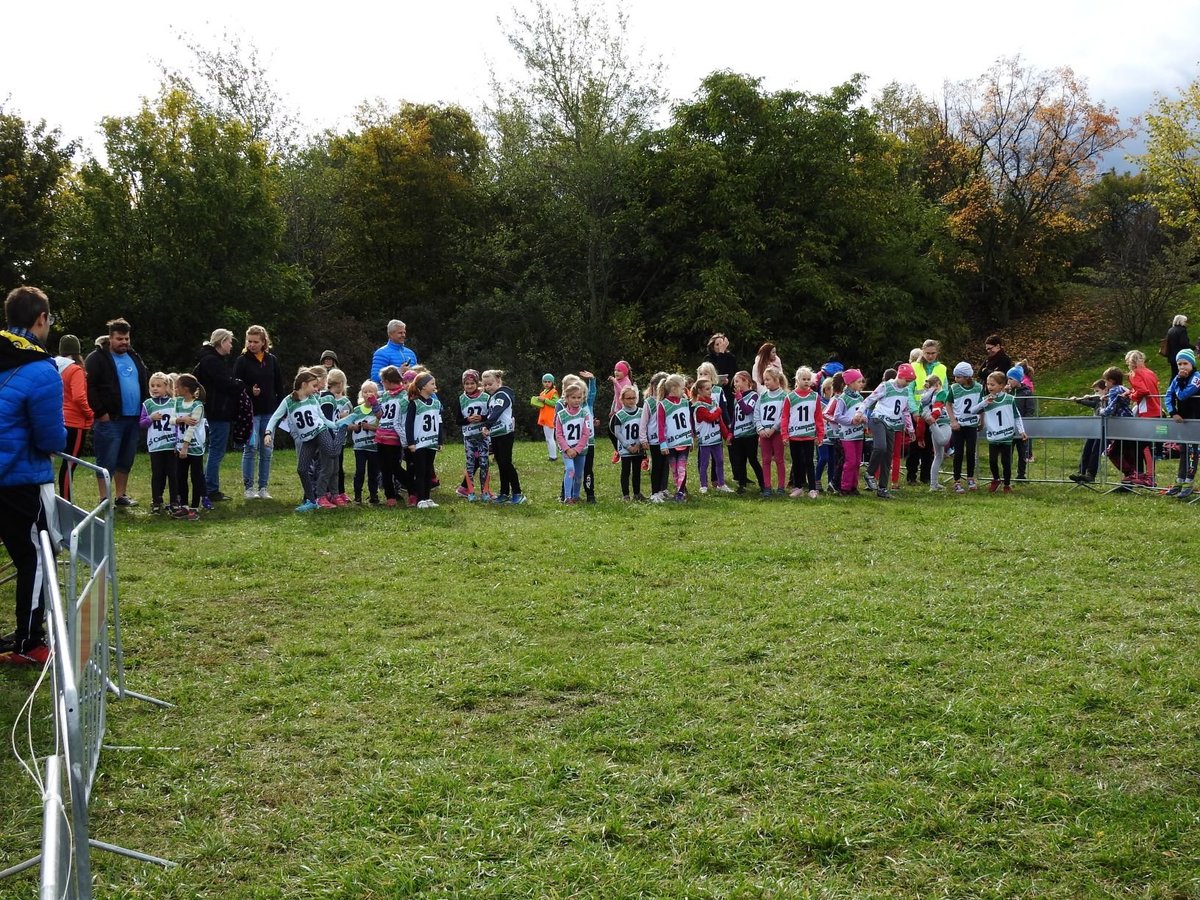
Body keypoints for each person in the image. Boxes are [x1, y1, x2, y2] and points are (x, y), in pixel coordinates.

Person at [0, 286, 66, 664]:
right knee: (37, 558)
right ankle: (29, 644)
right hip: (20, 478)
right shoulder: (41, 368)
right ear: (41, 319)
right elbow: (50, 437)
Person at [85, 317, 149, 506]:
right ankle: (104, 498)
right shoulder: (96, 358)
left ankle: (121, 496)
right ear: (110, 338)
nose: (124, 342)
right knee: (107, 459)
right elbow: (89, 387)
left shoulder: (134, 357)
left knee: (126, 459)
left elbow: (143, 382)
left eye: (127, 338)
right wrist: (100, 412)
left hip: (133, 417)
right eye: (120, 339)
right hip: (110, 418)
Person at [264, 371, 333, 512]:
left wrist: (339, 425)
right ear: (304, 384)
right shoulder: (288, 401)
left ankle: (323, 495)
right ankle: (311, 501)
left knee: (330, 455)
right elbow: (275, 417)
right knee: (302, 469)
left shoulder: (313, 399)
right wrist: (268, 433)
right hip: (307, 440)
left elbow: (323, 419)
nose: (316, 389)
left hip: (320, 433)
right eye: (314, 386)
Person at [233, 325, 284, 500]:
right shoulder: (242, 361)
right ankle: (249, 487)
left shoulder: (272, 360)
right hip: (250, 413)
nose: (252, 345)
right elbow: (235, 385)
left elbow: (279, 385)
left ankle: (263, 487)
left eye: (256, 342)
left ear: (263, 342)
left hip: (269, 412)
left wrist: (281, 409)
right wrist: (249, 390)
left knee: (267, 450)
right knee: (251, 448)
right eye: (249, 341)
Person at [193, 329, 244, 501]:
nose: (231, 345)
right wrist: (238, 384)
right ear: (221, 342)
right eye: (229, 341)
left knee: (213, 449)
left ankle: (208, 486)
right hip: (218, 411)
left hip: (214, 410)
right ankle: (210, 488)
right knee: (216, 450)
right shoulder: (213, 362)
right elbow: (226, 384)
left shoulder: (208, 360)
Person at [861, 363, 916, 500]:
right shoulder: (886, 386)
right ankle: (869, 473)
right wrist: (859, 412)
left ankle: (883, 488)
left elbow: (905, 411)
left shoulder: (905, 391)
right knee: (881, 446)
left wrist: (910, 429)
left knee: (888, 456)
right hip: (878, 419)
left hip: (892, 425)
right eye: (907, 380)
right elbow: (869, 399)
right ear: (900, 376)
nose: (908, 384)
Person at [54, 334, 93, 500]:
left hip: (57, 419)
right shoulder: (75, 369)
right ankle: (66, 501)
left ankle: (58, 499)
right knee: (69, 464)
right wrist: (89, 413)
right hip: (74, 422)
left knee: (59, 462)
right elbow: (78, 397)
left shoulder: (53, 366)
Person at [480, 369, 526, 504]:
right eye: (485, 385)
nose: (488, 387)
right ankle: (504, 492)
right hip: (496, 434)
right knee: (501, 464)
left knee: (506, 463)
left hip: (505, 433)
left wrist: (487, 425)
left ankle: (517, 493)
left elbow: (497, 411)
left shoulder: (502, 395)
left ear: (498, 381)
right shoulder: (493, 397)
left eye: (490, 384)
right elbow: (490, 413)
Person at [141, 372, 184, 516]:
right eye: (152, 385)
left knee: (173, 474)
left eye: (158, 386)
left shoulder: (174, 403)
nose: (155, 388)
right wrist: (150, 418)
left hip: (171, 445)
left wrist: (178, 442)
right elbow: (141, 423)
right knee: (157, 474)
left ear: (167, 387)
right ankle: (156, 501)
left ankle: (174, 501)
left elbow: (178, 424)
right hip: (156, 446)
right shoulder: (147, 404)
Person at [978, 370, 1027, 493]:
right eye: (988, 384)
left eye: (992, 384)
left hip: (1006, 436)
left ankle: (1007, 484)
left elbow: (1017, 416)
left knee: (1006, 462)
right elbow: (974, 410)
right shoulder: (986, 400)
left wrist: (1021, 431)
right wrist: (984, 403)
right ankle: (996, 479)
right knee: (992, 460)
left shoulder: (1010, 399)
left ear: (1001, 385)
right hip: (993, 436)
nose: (989, 387)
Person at [907, 340, 947, 484]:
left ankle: (926, 476)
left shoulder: (941, 368)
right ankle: (911, 476)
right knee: (914, 444)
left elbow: (944, 391)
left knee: (929, 445)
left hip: (932, 413)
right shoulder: (914, 367)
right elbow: (909, 391)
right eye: (927, 353)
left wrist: (937, 410)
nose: (930, 356)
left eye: (933, 353)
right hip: (917, 411)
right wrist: (914, 410)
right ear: (922, 352)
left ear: (937, 353)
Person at [782, 365, 824, 499]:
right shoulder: (790, 397)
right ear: (797, 380)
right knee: (796, 462)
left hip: (809, 435)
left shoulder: (815, 396)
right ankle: (798, 487)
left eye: (808, 379)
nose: (806, 381)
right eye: (803, 379)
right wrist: (784, 434)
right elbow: (785, 417)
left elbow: (818, 417)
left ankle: (812, 488)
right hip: (794, 435)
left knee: (809, 462)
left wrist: (820, 434)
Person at [1164, 350, 1200, 498]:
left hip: (1195, 419)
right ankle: (1179, 481)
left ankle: (1189, 482)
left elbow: (1182, 395)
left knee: (1192, 451)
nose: (1182, 367)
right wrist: (1173, 412)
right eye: (1179, 364)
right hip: (1183, 419)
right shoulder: (1177, 378)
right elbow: (1168, 395)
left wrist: (1178, 381)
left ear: (1192, 364)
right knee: (1183, 449)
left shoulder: (1197, 377)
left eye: (1185, 363)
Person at [405, 373, 443, 509]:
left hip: (431, 442)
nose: (435, 386)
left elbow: (439, 422)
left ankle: (427, 498)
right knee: (420, 471)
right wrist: (411, 442)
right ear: (423, 386)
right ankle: (420, 498)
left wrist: (440, 440)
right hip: (419, 443)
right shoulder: (414, 403)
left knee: (428, 471)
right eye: (432, 384)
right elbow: (408, 424)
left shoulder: (436, 403)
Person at [173, 373, 210, 512]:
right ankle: (184, 505)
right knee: (181, 476)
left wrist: (185, 447)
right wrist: (182, 419)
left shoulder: (198, 405)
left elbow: (191, 428)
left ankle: (194, 506)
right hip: (180, 446)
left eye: (177, 386)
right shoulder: (177, 402)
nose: (175, 389)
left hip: (194, 447)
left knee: (196, 476)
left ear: (186, 388)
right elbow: (171, 420)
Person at [374, 366, 410, 507]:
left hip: (394, 436)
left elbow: (405, 418)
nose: (382, 383)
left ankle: (413, 487)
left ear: (388, 381)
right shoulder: (385, 396)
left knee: (395, 467)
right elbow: (380, 416)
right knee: (384, 468)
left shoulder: (404, 396)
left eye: (382, 381)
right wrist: (374, 405)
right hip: (381, 435)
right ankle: (390, 496)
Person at [1125, 349, 1162, 483]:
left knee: (1141, 445)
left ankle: (1146, 476)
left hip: (1147, 412)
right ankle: (1145, 475)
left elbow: (1143, 391)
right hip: (1156, 410)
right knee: (1144, 444)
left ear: (1130, 362)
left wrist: (1131, 395)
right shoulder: (1151, 372)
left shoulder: (1134, 373)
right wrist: (1132, 391)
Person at [656, 374, 693, 502]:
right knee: (674, 469)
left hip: (684, 440)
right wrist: (662, 443)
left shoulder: (685, 403)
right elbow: (660, 426)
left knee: (682, 468)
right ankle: (679, 491)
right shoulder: (663, 405)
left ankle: (680, 493)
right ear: (674, 388)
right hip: (671, 443)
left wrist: (691, 438)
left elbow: (689, 421)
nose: (684, 390)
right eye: (682, 388)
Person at [830, 368, 867, 496]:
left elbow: (864, 412)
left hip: (858, 434)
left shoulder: (860, 397)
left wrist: (864, 419)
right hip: (847, 435)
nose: (861, 384)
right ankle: (845, 487)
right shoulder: (843, 398)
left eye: (861, 381)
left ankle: (853, 486)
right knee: (850, 461)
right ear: (850, 383)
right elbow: (837, 416)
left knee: (857, 462)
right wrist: (851, 421)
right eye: (858, 381)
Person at [692, 377, 732, 493]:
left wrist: (726, 436)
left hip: (716, 439)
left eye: (710, 388)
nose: (710, 391)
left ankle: (721, 484)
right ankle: (703, 485)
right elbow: (710, 418)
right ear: (700, 391)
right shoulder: (699, 406)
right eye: (707, 389)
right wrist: (719, 411)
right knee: (704, 463)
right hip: (705, 440)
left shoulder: (714, 403)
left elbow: (720, 422)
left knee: (720, 461)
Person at [948, 362, 983, 493]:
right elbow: (948, 404)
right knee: (958, 453)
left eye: (959, 377)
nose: (956, 379)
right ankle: (956, 480)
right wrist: (953, 421)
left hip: (972, 425)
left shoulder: (979, 388)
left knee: (970, 452)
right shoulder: (954, 388)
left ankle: (970, 477)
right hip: (958, 425)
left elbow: (982, 405)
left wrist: (982, 421)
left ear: (967, 377)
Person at [728, 371, 765, 495]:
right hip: (738, 434)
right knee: (740, 461)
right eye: (734, 382)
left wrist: (739, 399)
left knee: (753, 459)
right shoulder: (737, 397)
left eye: (737, 381)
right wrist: (731, 433)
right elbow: (734, 417)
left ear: (746, 381)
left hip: (750, 434)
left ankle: (763, 484)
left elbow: (747, 410)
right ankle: (742, 485)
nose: (735, 384)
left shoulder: (753, 395)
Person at [556, 380, 592, 504]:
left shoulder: (584, 414)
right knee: (570, 469)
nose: (577, 400)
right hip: (567, 450)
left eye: (579, 397)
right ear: (566, 398)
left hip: (581, 450)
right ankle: (567, 497)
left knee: (578, 474)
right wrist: (567, 449)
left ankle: (576, 496)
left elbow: (586, 433)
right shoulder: (561, 415)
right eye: (573, 397)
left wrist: (577, 449)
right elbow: (559, 434)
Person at [459, 369, 492, 502]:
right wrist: (468, 419)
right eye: (466, 384)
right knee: (470, 464)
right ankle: (470, 491)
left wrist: (482, 418)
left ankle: (485, 491)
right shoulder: (461, 399)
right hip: (469, 436)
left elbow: (491, 415)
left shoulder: (486, 397)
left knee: (484, 463)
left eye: (472, 383)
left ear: (477, 383)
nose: (469, 386)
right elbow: (457, 420)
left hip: (483, 436)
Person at [754, 366, 788, 496]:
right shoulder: (762, 396)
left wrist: (774, 428)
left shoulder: (784, 396)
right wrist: (760, 428)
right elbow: (757, 413)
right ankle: (767, 487)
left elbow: (784, 415)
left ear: (776, 380)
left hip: (777, 433)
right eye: (764, 379)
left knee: (779, 459)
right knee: (766, 459)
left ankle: (781, 487)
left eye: (768, 379)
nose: (765, 382)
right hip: (764, 433)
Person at [1068, 379, 1107, 485]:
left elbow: (1098, 402)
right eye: (1094, 391)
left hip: (1104, 429)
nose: (1095, 393)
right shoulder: (1098, 401)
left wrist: (1089, 397)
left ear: (1105, 390)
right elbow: (1091, 403)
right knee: (1087, 449)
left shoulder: (1107, 400)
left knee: (1095, 451)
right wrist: (1079, 400)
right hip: (1094, 428)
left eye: (1097, 391)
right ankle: (1081, 472)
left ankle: (1090, 475)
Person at [323, 368, 354, 505]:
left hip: (339, 438)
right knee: (330, 467)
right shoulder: (326, 398)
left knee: (338, 467)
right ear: (341, 383)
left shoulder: (345, 401)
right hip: (330, 437)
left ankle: (339, 492)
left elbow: (350, 417)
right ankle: (328, 492)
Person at [611, 384, 645, 501]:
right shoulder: (619, 415)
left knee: (637, 471)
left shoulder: (641, 412)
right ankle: (626, 495)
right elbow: (617, 432)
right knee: (625, 471)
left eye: (633, 398)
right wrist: (628, 446)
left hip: (638, 447)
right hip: (626, 448)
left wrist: (638, 444)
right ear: (622, 399)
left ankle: (637, 493)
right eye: (628, 398)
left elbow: (643, 429)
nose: (631, 400)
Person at [350, 380, 381, 505]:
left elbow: (382, 428)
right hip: (359, 447)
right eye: (365, 391)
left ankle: (374, 495)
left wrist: (370, 427)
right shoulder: (357, 410)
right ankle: (357, 496)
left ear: (376, 394)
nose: (368, 394)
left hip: (374, 447)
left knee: (373, 473)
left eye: (371, 391)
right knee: (359, 472)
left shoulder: (378, 411)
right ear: (361, 394)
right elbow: (348, 425)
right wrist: (353, 427)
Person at [919, 374, 952, 491]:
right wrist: (932, 418)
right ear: (938, 384)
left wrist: (920, 436)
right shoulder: (941, 393)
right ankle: (933, 485)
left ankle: (933, 485)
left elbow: (921, 416)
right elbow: (938, 407)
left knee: (938, 456)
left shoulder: (924, 398)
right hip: (942, 423)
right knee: (943, 441)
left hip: (934, 425)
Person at [642, 372, 670, 502]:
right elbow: (644, 422)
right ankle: (655, 492)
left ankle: (662, 489)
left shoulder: (667, 402)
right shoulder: (649, 402)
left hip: (667, 439)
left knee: (665, 465)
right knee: (657, 466)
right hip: (654, 440)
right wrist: (643, 439)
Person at [1007, 366, 1035, 481]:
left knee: (1022, 452)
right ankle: (1006, 474)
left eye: (1011, 379)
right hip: (1008, 427)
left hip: (1022, 427)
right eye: (1007, 378)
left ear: (1018, 380)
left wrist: (1025, 425)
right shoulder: (1006, 392)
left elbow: (1030, 410)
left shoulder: (1026, 393)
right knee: (1007, 452)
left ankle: (1021, 475)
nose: (1008, 381)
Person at [703, 333, 737, 423]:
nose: (719, 347)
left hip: (728, 391)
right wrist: (721, 354)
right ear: (712, 346)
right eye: (717, 344)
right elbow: (717, 371)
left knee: (729, 415)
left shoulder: (731, 357)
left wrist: (729, 381)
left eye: (721, 344)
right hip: (713, 391)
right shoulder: (708, 359)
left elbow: (735, 374)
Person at [370, 319, 417, 384]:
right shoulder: (381, 353)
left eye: (404, 332)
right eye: (400, 333)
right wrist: (399, 371)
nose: (403, 335)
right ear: (390, 334)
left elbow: (418, 377)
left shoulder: (410, 353)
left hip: (410, 390)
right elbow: (375, 377)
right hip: (389, 390)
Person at [607, 361, 633, 462]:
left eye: (619, 370)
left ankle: (643, 456)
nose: (616, 372)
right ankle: (618, 451)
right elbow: (616, 397)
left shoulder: (627, 382)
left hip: (626, 411)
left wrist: (615, 382)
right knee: (611, 430)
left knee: (625, 433)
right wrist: (612, 410)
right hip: (618, 411)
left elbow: (623, 394)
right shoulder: (618, 380)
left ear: (625, 372)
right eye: (615, 370)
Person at [531, 374, 559, 460]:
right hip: (544, 416)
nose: (547, 383)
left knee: (550, 438)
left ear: (552, 382)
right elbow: (542, 405)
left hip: (550, 417)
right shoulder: (543, 392)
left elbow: (556, 403)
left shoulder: (553, 392)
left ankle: (553, 456)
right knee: (548, 438)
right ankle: (551, 455)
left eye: (549, 382)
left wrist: (544, 400)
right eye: (545, 381)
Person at [1165, 314, 1190, 383]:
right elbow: (1184, 343)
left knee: (1174, 375)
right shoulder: (1182, 330)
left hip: (1171, 356)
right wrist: (1193, 347)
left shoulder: (1170, 330)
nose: (1186, 323)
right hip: (1180, 356)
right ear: (1181, 321)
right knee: (1183, 374)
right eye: (1185, 321)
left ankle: (1171, 388)